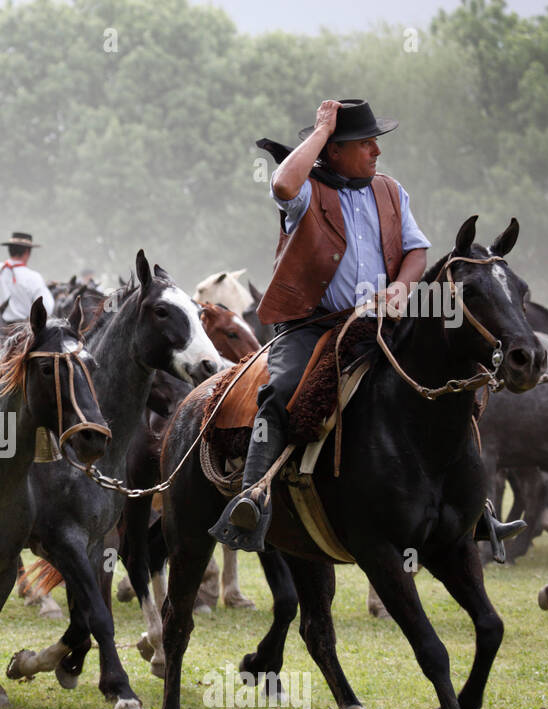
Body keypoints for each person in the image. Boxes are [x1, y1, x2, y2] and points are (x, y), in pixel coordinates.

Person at [212, 98, 522, 553]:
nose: (377, 151)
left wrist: (401, 288)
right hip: (312, 327)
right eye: (366, 143)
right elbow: (280, 184)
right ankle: (254, 502)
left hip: (383, 323)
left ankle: (477, 511)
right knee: (283, 392)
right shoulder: (306, 190)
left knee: (454, 385)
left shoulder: (391, 190)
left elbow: (416, 250)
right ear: (335, 150)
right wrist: (319, 132)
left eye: (376, 142)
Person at [0, 231, 55, 325]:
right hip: (21, 331)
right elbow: (48, 308)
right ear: (27, 252)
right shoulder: (34, 277)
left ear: (10, 249)